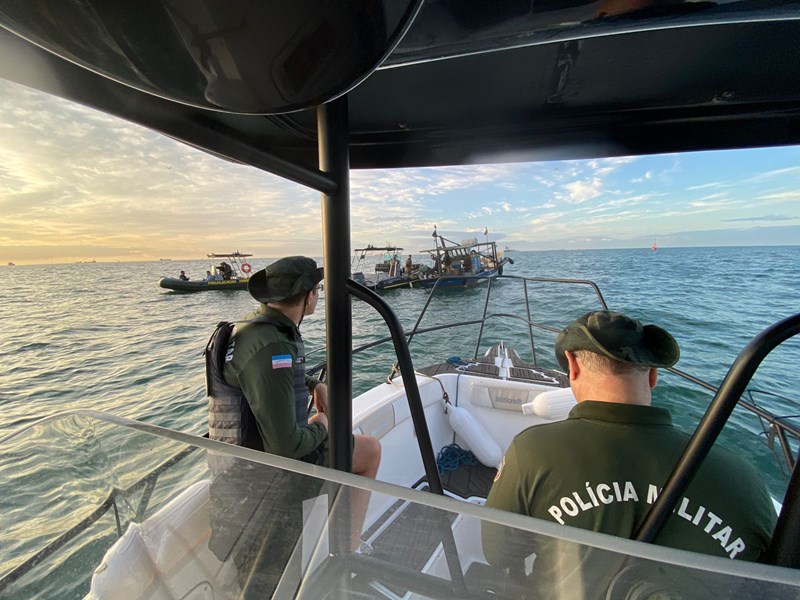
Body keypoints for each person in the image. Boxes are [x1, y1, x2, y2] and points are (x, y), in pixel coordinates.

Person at [483, 310, 776, 570]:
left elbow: (497, 554)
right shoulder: (743, 479)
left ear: (572, 366)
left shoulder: (532, 451)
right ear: (652, 376)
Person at [214, 255, 381, 477]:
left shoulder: (254, 327)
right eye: (318, 289)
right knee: (371, 451)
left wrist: (314, 385)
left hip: (240, 458)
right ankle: (344, 513)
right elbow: (286, 449)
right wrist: (322, 423)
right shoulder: (275, 346)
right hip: (268, 475)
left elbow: (263, 377)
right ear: (309, 296)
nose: (319, 295)